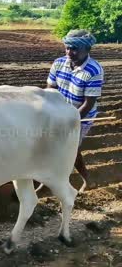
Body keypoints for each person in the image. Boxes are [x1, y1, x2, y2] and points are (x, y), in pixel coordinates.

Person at [46, 29, 104, 189]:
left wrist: (69, 120)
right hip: (59, 113)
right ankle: (47, 179)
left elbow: (88, 103)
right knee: (51, 145)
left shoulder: (94, 71)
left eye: (75, 49)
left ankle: (87, 179)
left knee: (71, 148)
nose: (70, 52)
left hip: (81, 116)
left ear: (87, 49)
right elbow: (50, 90)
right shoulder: (59, 63)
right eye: (67, 48)